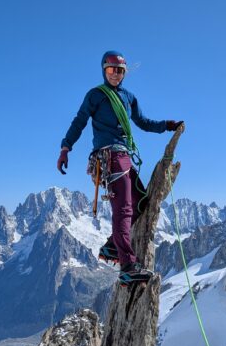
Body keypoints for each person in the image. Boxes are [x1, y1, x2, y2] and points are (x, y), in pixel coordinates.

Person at [57, 51, 182, 286]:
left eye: (120, 70)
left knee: (141, 202)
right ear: (104, 70)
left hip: (123, 155)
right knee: (123, 207)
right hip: (109, 157)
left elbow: (143, 122)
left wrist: (166, 126)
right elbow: (79, 121)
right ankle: (127, 266)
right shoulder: (95, 95)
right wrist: (66, 148)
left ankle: (113, 246)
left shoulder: (128, 97)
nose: (115, 74)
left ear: (125, 73)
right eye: (111, 69)